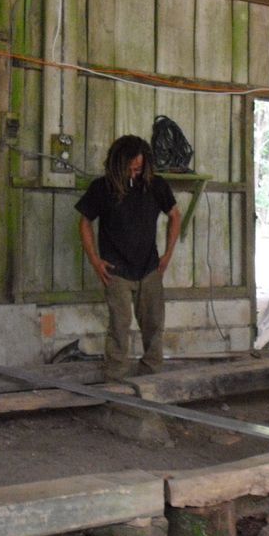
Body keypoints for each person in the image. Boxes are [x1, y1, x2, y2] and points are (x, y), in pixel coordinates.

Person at [76, 135, 182, 381]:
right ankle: (115, 378)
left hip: (150, 268)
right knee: (119, 327)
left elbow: (175, 216)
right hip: (115, 270)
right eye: (131, 168)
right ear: (117, 163)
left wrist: (167, 254)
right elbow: (84, 222)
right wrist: (94, 259)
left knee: (154, 325)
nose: (135, 173)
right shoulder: (101, 188)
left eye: (139, 168)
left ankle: (151, 374)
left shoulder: (156, 185)